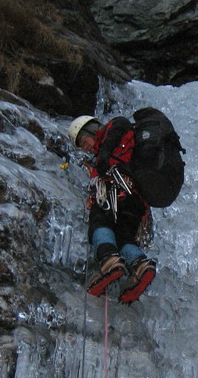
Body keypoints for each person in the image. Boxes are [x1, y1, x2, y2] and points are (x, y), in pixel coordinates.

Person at [67, 114, 157, 304]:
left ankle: (109, 260)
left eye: (85, 141)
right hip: (135, 201)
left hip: (116, 193)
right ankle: (140, 265)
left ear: (92, 131)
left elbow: (119, 123)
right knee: (124, 237)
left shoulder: (113, 130)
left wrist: (104, 155)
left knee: (99, 222)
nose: (86, 147)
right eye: (82, 146)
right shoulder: (119, 148)